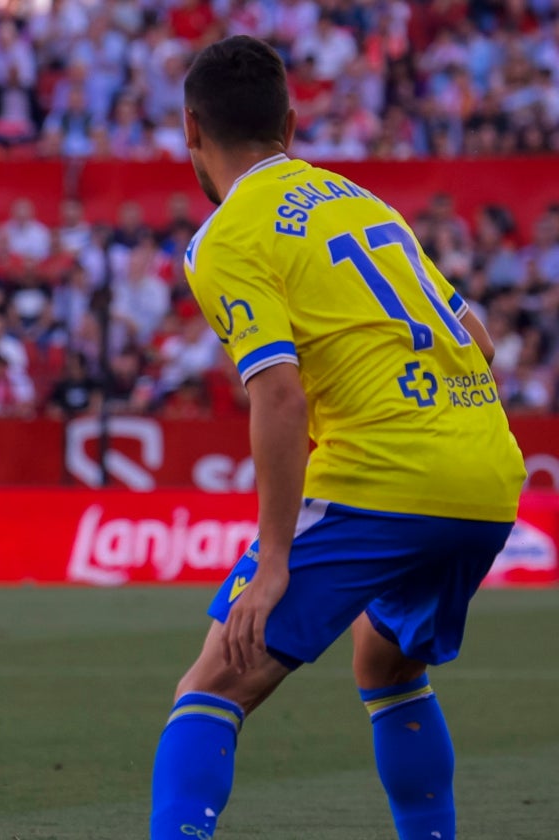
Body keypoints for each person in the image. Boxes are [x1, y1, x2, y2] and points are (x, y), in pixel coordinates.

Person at [149, 36, 526, 840]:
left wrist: (274, 560)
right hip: (489, 474)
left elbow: (278, 397)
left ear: (191, 128)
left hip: (385, 474)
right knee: (385, 663)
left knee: (214, 684)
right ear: (291, 123)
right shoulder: (360, 200)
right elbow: (483, 339)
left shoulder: (226, 237)